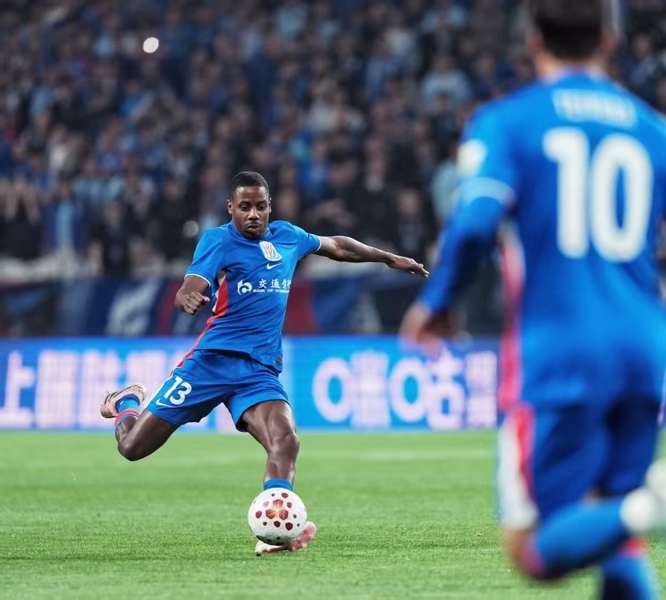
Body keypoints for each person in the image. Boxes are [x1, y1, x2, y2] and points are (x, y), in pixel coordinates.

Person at [400, 0, 666, 596]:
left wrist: (438, 301)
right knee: (614, 535)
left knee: (534, 547)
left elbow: (476, 223)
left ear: (533, 39)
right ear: (610, 38)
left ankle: (650, 506)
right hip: (643, 348)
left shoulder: (508, 122)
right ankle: (642, 510)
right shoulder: (657, 131)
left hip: (558, 350)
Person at [100, 171, 428, 555]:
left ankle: (276, 531)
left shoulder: (288, 236)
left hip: (258, 371)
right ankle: (126, 403)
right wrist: (187, 297)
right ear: (230, 208)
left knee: (285, 440)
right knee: (132, 448)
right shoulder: (218, 240)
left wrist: (388, 258)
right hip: (211, 363)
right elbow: (191, 285)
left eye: (260, 206)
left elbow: (338, 246)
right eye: (245, 207)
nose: (253, 214)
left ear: (270, 207)